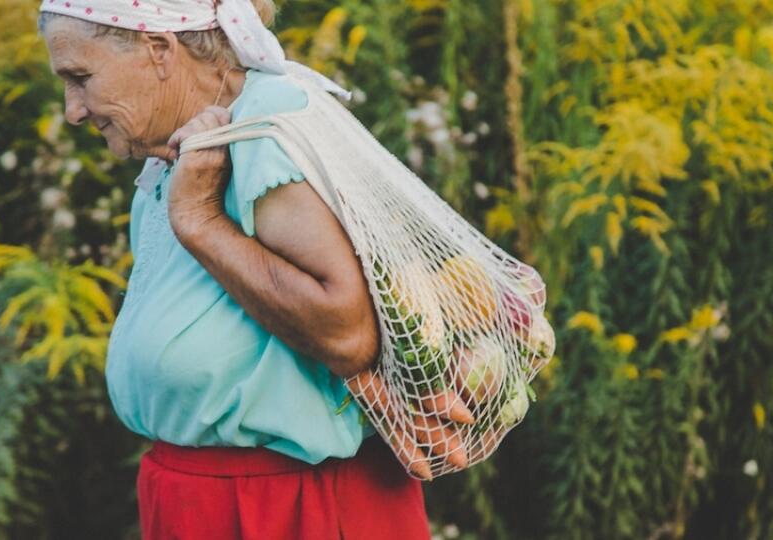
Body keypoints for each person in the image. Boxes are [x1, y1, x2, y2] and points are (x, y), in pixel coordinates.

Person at [37, 0, 472, 537]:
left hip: (287, 509)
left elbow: (349, 331)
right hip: (205, 503)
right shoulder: (180, 150)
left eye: (80, 77)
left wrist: (199, 220)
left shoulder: (261, 135)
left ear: (158, 49)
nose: (72, 109)